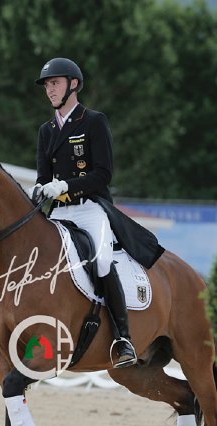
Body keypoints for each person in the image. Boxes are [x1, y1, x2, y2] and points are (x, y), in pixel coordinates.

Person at [32, 57, 137, 368]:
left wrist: (65, 185)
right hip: (59, 213)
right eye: (47, 85)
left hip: (90, 209)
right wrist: (39, 189)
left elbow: (103, 174)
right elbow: (42, 176)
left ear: (73, 84)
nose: (50, 90)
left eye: (55, 83)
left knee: (101, 260)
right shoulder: (46, 130)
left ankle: (123, 338)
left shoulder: (93, 121)